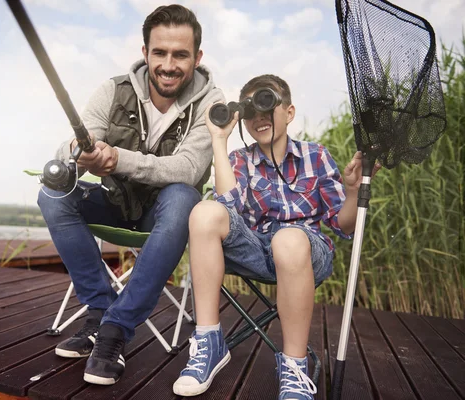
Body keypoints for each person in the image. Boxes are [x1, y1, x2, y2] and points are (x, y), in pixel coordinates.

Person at [37, 4, 224, 386]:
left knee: (184, 197)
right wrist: (80, 150)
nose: (168, 64)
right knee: (52, 194)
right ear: (145, 53)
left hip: (165, 217)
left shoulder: (212, 104)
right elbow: (69, 150)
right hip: (115, 204)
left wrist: (119, 158)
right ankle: (100, 307)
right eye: (160, 53)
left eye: (180, 55)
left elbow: (188, 168)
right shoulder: (112, 89)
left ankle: (115, 331)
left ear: (197, 57)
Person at [172, 74, 381, 399]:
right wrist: (219, 140)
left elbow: (345, 225)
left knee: (289, 239)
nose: (259, 115)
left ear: (290, 112)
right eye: (250, 109)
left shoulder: (316, 156)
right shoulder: (240, 160)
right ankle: (209, 341)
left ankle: (295, 367)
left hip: (305, 255)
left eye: (267, 103)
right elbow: (229, 208)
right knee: (204, 211)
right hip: (253, 250)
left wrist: (352, 191)